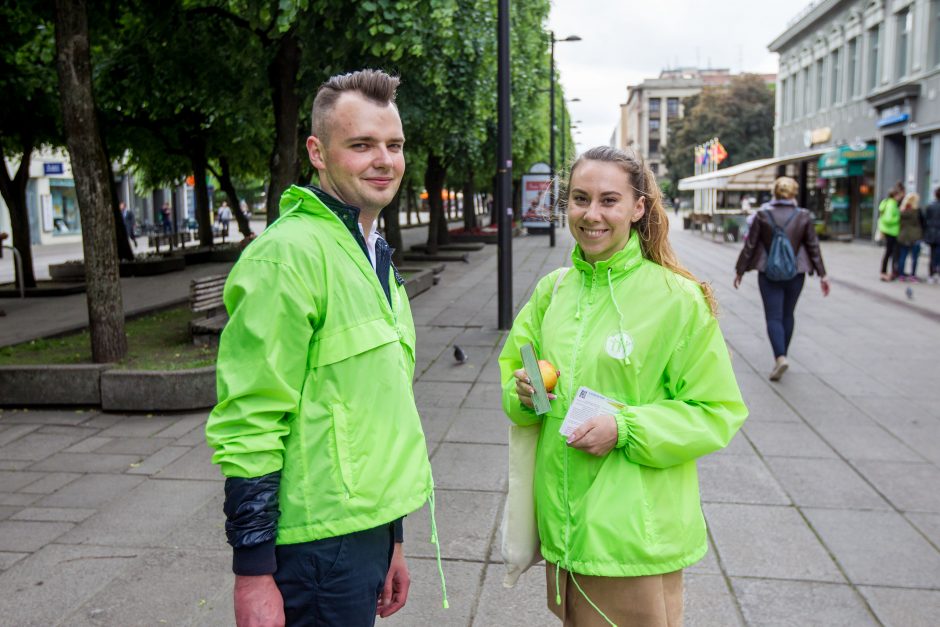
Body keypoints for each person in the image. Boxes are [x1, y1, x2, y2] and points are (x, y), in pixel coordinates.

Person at [205, 69, 444, 627]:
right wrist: (253, 573)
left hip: (364, 535)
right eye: (361, 145)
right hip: (313, 551)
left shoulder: (369, 249)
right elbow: (250, 417)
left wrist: (393, 540)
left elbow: (377, 410)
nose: (383, 160)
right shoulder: (286, 257)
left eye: (394, 145)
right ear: (318, 152)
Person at [499, 146, 747, 627]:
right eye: (579, 199)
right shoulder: (553, 291)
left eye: (609, 200)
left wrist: (626, 427)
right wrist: (524, 393)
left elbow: (717, 410)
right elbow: (515, 380)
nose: (591, 215)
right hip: (563, 524)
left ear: (638, 208)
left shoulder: (677, 299)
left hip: (634, 534)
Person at [734, 176, 830, 381]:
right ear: (794, 193)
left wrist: (740, 271)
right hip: (796, 273)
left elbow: (750, 245)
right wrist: (823, 274)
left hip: (768, 272)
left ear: (775, 193)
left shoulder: (762, 215)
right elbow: (813, 246)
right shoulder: (803, 216)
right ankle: (783, 353)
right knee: (788, 314)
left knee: (773, 316)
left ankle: (780, 357)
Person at [878, 184, 904, 281]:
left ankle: (885, 272)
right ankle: (884, 272)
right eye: (899, 195)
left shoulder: (889, 203)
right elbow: (888, 219)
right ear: (895, 195)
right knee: (889, 252)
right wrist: (898, 217)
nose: (900, 197)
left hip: (889, 231)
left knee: (889, 252)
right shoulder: (891, 204)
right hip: (891, 232)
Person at [896, 192, 924, 282]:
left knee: (903, 256)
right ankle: (913, 275)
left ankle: (901, 275)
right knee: (914, 257)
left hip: (903, 236)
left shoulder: (901, 211)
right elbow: (923, 222)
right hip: (915, 236)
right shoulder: (917, 211)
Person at [925, 187, 940, 284]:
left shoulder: (930, 206)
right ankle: (937, 274)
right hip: (938, 233)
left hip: (931, 234)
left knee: (932, 255)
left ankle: (931, 274)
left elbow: (926, 220)